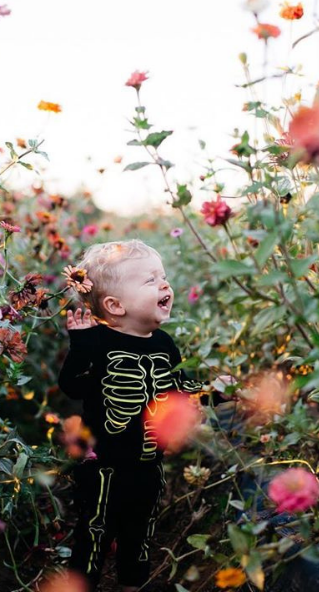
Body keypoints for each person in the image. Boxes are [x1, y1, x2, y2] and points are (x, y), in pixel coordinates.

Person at [58, 239, 218, 591]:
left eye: (163, 278)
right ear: (115, 305)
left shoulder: (164, 344)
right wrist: (80, 347)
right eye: (150, 281)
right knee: (94, 531)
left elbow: (178, 389)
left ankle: (132, 586)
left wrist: (214, 393)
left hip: (149, 463)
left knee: (140, 531)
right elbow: (71, 386)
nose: (164, 285)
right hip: (103, 466)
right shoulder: (98, 342)